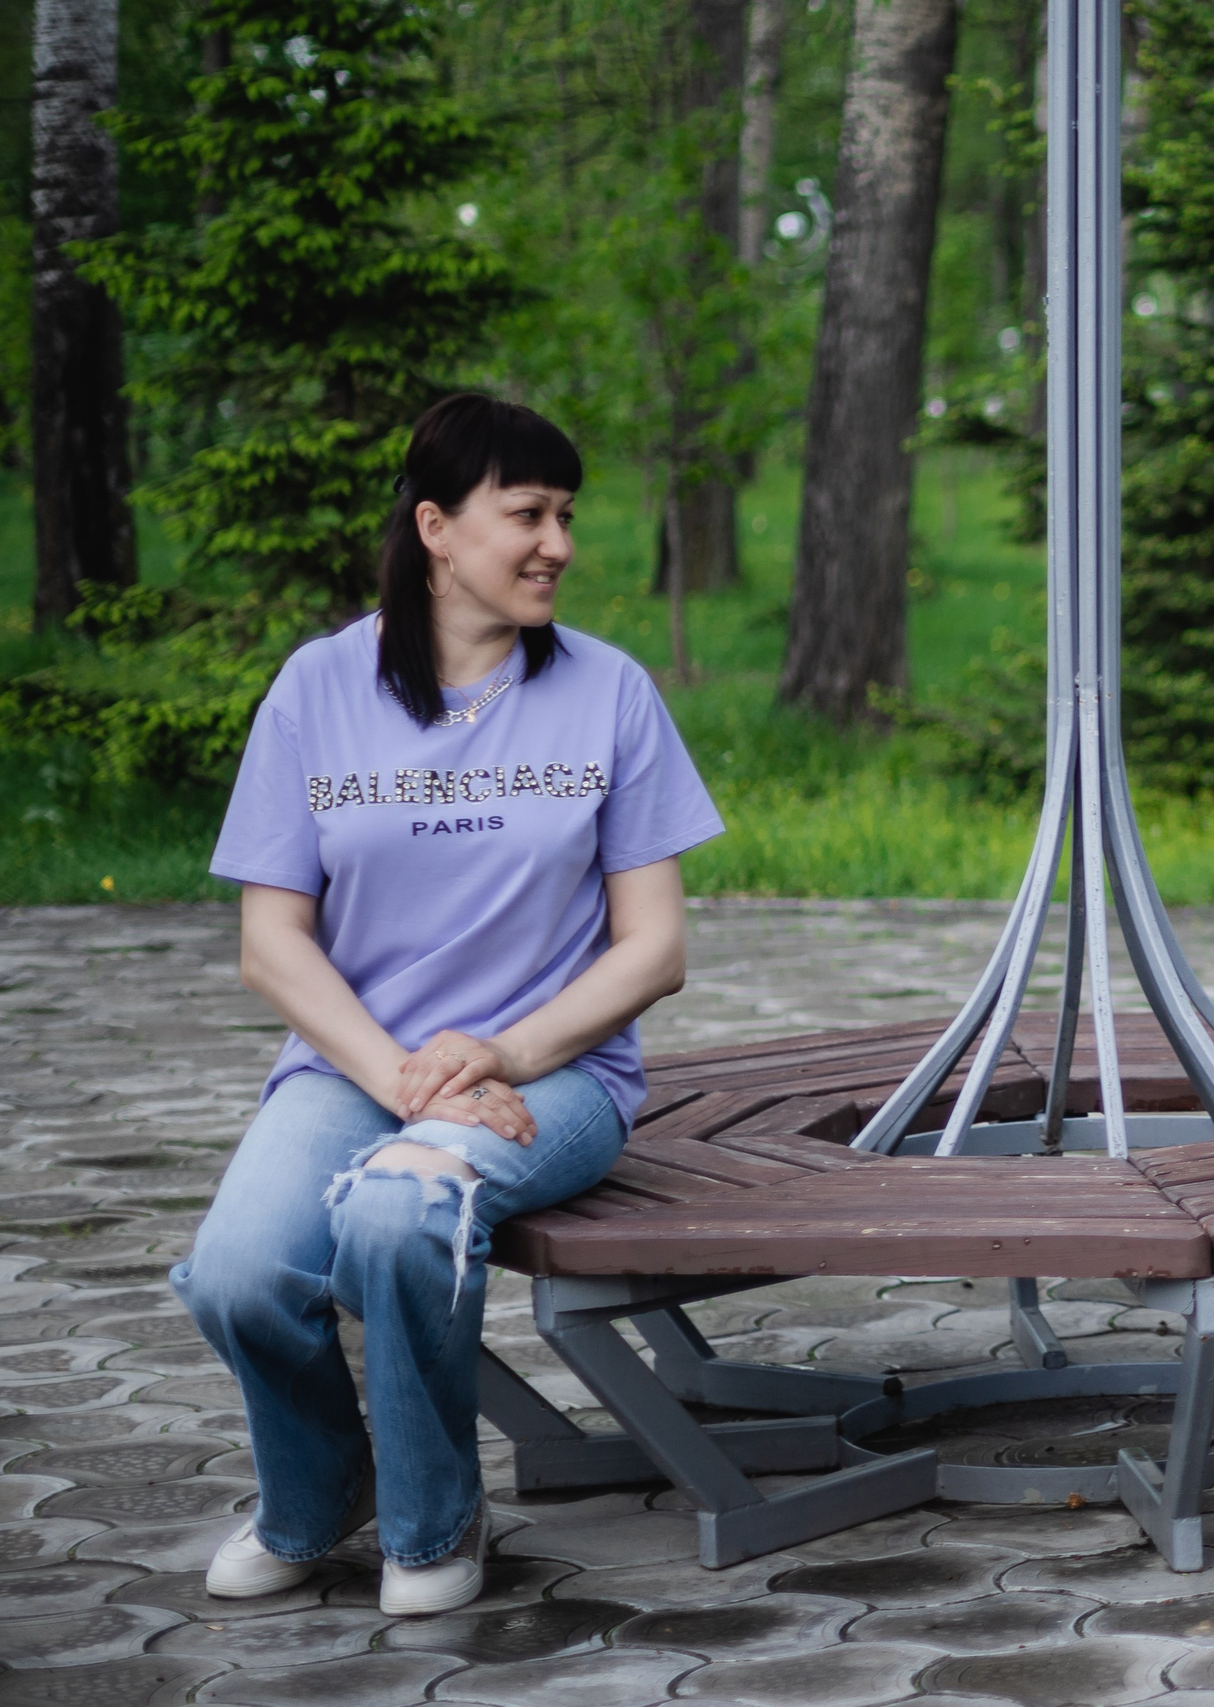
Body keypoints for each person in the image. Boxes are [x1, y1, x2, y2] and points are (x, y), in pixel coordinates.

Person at [175, 394, 724, 1614]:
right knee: (236, 1275)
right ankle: (318, 1495)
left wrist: (502, 1057)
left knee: (401, 1209)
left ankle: (434, 1524)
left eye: (566, 515)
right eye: (526, 514)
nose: (557, 544)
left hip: (556, 1076)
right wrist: (404, 1077)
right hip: (359, 1067)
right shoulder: (318, 689)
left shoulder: (608, 692)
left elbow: (655, 950)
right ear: (435, 527)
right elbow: (271, 944)